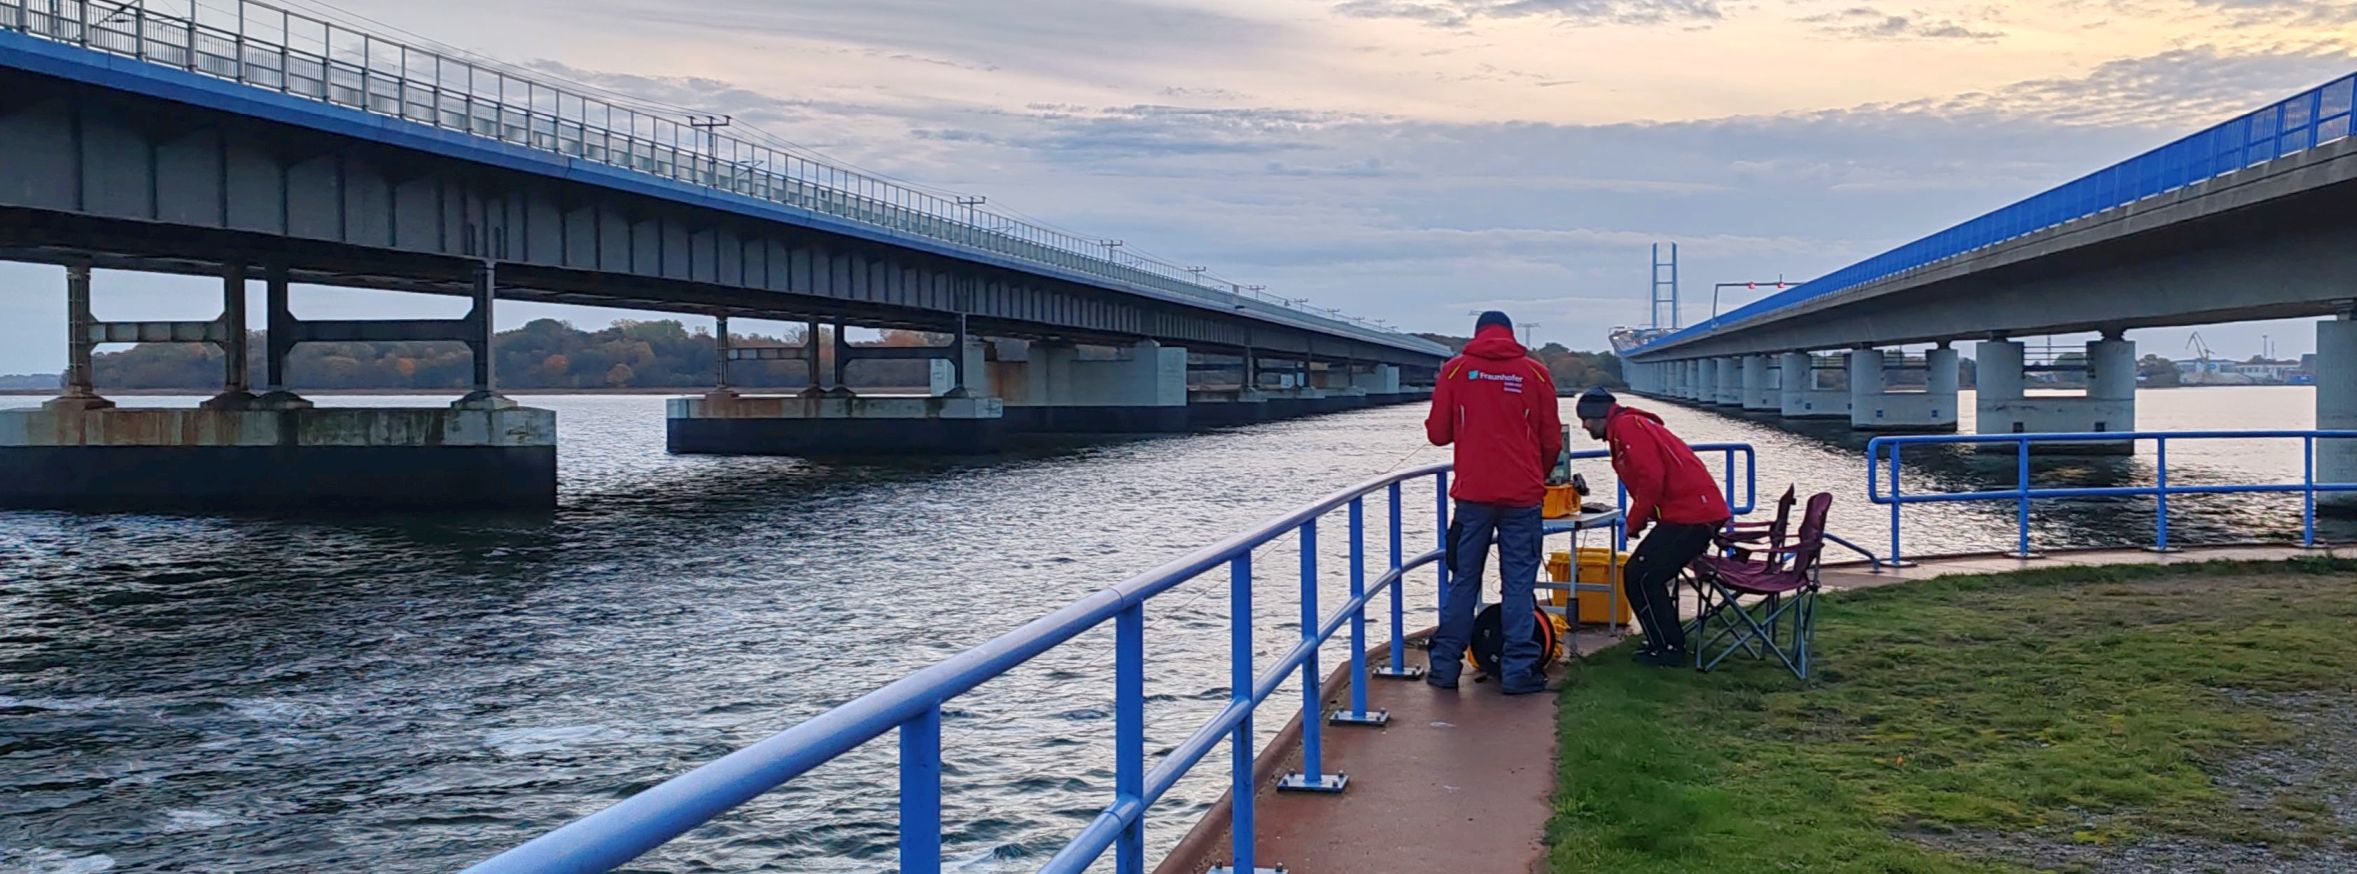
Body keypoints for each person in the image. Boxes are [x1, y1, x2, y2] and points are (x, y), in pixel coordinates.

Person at [1423, 310, 1564, 694]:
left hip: (1472, 496)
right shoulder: (1536, 374)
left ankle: (1444, 667)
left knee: (1463, 580)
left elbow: (1437, 434)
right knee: (1518, 583)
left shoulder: (1455, 370)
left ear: (1477, 333)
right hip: (1523, 497)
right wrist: (1535, 474)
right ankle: (1519, 670)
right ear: (1510, 334)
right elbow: (1552, 440)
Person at [1575, 387, 1730, 666]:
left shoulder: (1627, 428)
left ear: (1599, 415)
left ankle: (1668, 648)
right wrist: (1643, 518)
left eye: (1585, 419)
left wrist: (1633, 522)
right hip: (1695, 512)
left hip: (1691, 516)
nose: (1584, 426)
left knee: (1640, 575)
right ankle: (1663, 641)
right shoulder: (1632, 425)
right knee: (1645, 574)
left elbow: (1651, 478)